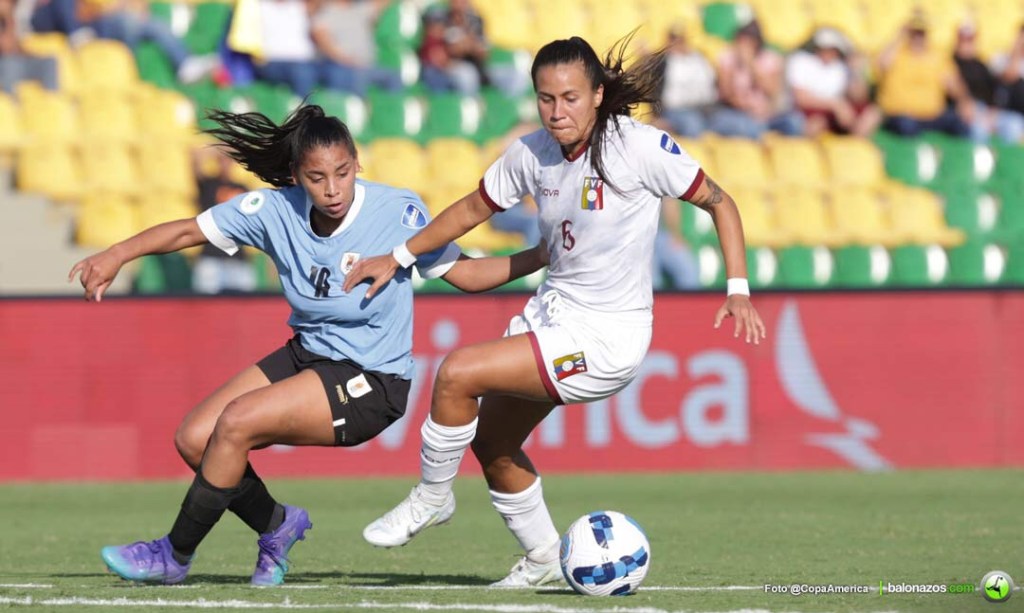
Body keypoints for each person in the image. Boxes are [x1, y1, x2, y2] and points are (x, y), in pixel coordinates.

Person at [343, 35, 765, 586]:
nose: (557, 111)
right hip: (551, 317)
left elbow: (720, 201)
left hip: (606, 337)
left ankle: (431, 497)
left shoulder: (637, 147)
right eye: (546, 98)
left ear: (596, 94)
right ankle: (543, 555)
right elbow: (473, 210)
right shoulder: (531, 153)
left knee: (456, 373)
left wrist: (738, 287)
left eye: (569, 97)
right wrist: (401, 255)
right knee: (492, 444)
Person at [68, 104, 548, 586]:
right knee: (194, 438)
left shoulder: (397, 211)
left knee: (235, 423)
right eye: (317, 177)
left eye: (342, 172)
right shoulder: (272, 210)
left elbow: (467, 274)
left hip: (371, 380)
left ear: (358, 163)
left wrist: (543, 255)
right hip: (308, 354)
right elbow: (190, 230)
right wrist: (117, 253)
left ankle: (174, 555)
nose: (333, 188)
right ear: (296, 176)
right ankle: (277, 526)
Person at [876, 13, 973, 138]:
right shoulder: (897, 54)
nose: (918, 37)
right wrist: (899, 37)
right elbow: (881, 64)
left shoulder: (937, 57)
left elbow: (953, 84)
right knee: (906, 126)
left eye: (922, 33)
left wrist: (964, 101)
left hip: (931, 116)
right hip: (902, 115)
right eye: (915, 33)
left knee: (960, 125)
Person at [708, 19, 803, 139]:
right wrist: (745, 106)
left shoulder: (771, 59)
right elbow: (725, 94)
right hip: (736, 113)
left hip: (765, 115)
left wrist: (751, 65)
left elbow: (771, 91)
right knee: (748, 128)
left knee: (794, 123)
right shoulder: (727, 58)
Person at [785, 27, 882, 137]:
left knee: (872, 114)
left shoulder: (840, 68)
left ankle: (855, 147)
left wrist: (856, 72)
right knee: (816, 123)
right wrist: (835, 105)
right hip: (810, 112)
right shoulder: (801, 61)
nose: (830, 52)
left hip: (834, 112)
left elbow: (858, 97)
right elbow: (801, 99)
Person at [310, 0, 403, 96]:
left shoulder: (358, 9)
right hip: (343, 67)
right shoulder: (324, 15)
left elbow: (380, 4)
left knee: (394, 76)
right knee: (356, 77)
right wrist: (350, 61)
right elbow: (325, 44)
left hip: (368, 65)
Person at [953, 21, 1024, 144]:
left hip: (1009, 113)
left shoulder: (980, 65)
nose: (966, 44)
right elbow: (1004, 80)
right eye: (964, 39)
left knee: (1014, 126)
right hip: (984, 110)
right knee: (979, 128)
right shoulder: (1001, 59)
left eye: (969, 39)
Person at [652, 24, 718, 138]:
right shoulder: (662, 61)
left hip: (706, 108)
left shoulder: (699, 58)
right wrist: (657, 115)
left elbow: (713, 83)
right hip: (676, 110)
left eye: (680, 40)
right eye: (673, 40)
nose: (677, 44)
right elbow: (653, 89)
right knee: (693, 126)